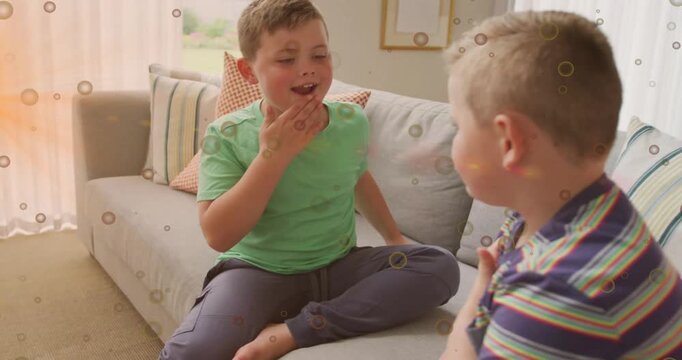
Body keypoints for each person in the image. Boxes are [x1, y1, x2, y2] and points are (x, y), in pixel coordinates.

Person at [159, 0, 459, 359]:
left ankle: (292, 331)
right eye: (287, 59)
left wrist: (393, 237)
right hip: (257, 271)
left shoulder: (351, 120)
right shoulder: (226, 133)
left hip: (339, 266)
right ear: (248, 71)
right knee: (192, 353)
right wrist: (274, 155)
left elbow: (358, 177)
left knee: (440, 266)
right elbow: (218, 234)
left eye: (319, 55)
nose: (308, 70)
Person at [440, 10, 682, 359]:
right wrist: (484, 286)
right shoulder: (571, 210)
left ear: (509, 142)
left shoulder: (558, 295)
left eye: (458, 125)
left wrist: (477, 300)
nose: (455, 140)